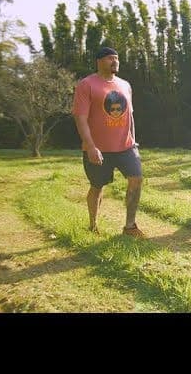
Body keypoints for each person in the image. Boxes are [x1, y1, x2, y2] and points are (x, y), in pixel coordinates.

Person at [72, 46, 145, 238]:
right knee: (97, 186)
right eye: (110, 58)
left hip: (126, 147)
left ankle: (130, 226)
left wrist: (134, 141)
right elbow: (80, 118)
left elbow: (130, 116)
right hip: (98, 149)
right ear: (99, 61)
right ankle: (92, 225)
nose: (115, 61)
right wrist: (90, 147)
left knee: (136, 179)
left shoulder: (125, 85)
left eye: (117, 58)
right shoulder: (87, 84)